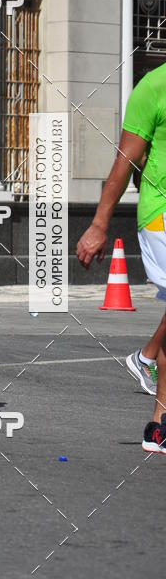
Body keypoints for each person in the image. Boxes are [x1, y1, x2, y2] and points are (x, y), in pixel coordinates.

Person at [76, 62, 166, 455]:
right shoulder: (154, 86)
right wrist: (98, 224)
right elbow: (125, 160)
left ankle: (158, 425)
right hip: (161, 212)